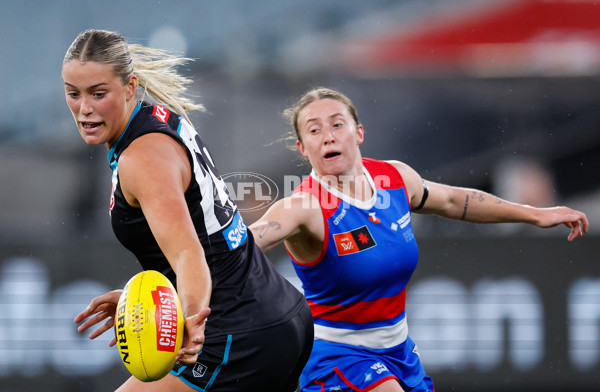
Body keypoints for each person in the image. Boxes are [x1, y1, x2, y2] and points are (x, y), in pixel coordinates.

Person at [249, 87, 589, 392]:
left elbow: (455, 201)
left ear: (359, 132)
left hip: (399, 352)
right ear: (302, 148)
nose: (328, 136)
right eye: (314, 130)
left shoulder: (394, 177)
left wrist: (534, 213)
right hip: (336, 356)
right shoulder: (304, 206)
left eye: (338, 124)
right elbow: (246, 244)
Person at [64, 29, 313, 392]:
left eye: (98, 94)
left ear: (130, 86)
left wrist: (192, 319)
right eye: (74, 94)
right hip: (277, 313)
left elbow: (188, 253)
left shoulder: (141, 158)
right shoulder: (155, 119)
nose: (84, 108)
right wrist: (152, 301)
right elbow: (205, 238)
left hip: (234, 332)